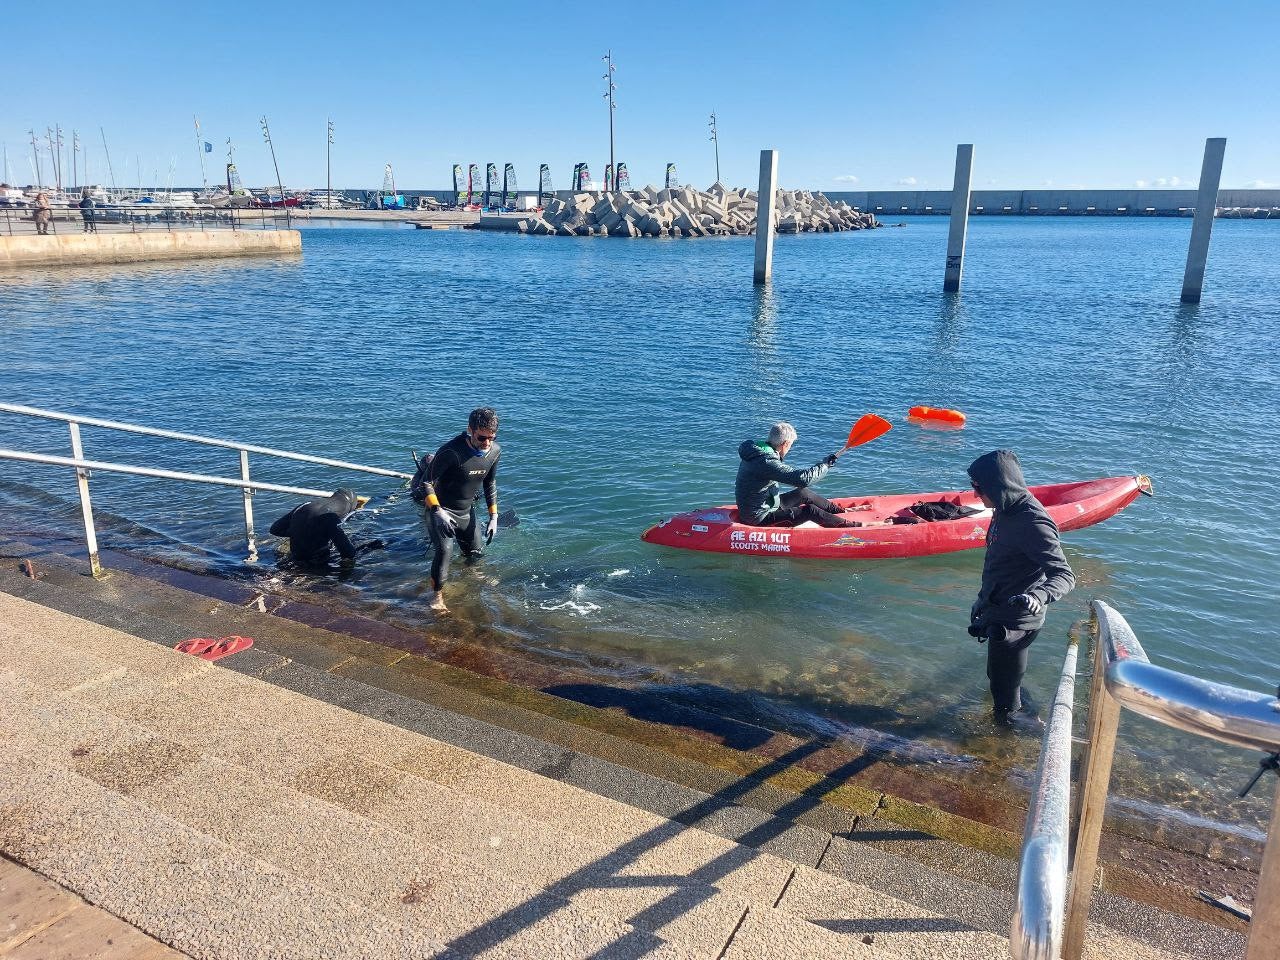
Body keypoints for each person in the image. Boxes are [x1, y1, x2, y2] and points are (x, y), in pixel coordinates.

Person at [966, 450, 1076, 732]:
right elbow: (999, 564)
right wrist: (982, 600)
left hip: (1018, 620)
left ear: (998, 486)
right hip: (997, 609)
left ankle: (1007, 743)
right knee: (999, 677)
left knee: (1004, 696)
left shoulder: (1033, 523)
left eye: (978, 488)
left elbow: (1064, 575)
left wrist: (1038, 596)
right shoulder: (1003, 510)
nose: (975, 495)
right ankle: (1019, 718)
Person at [422, 407, 501, 612]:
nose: (487, 443)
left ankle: (473, 578)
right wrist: (438, 511)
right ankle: (436, 597)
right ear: (470, 429)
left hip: (466, 512)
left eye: (491, 438)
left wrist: (494, 516)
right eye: (482, 437)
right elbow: (426, 482)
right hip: (441, 512)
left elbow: (490, 483)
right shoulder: (451, 451)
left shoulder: (494, 452)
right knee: (444, 552)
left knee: (475, 554)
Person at [735, 422, 861, 528]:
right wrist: (825, 466)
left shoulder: (758, 450)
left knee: (803, 493)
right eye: (790, 445)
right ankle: (851, 527)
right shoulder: (765, 461)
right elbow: (802, 479)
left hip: (768, 504)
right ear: (785, 444)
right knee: (810, 511)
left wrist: (824, 465)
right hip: (758, 517)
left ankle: (841, 512)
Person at [268, 488, 373, 569]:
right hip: (316, 564)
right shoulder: (331, 517)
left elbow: (275, 530)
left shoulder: (305, 505)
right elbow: (348, 553)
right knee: (372, 545)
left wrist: (301, 531)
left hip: (295, 557)